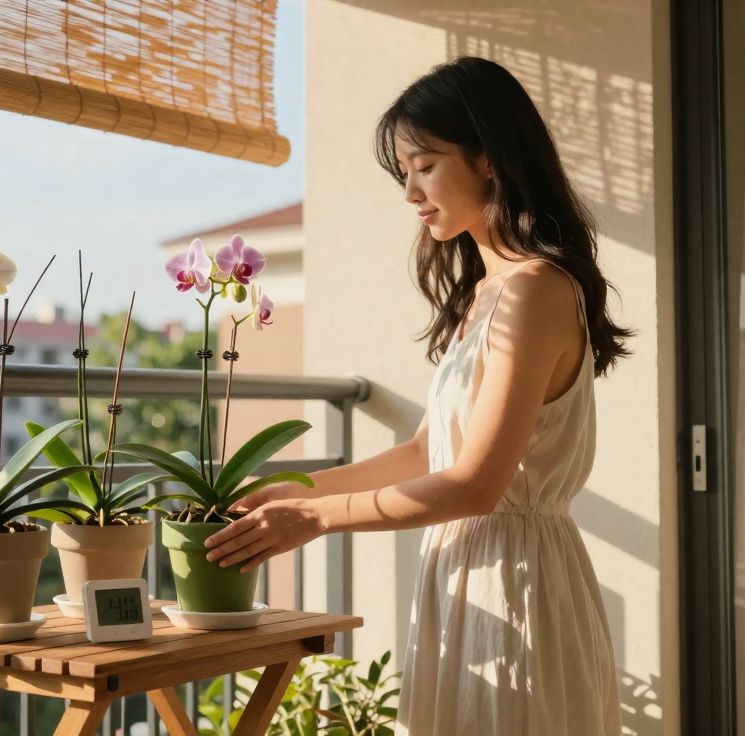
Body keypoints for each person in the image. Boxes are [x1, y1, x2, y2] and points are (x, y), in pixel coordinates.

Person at [202, 57, 632, 735]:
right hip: (468, 578)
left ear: (488, 159)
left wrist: (318, 520)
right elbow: (427, 452)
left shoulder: (536, 291)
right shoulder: (488, 294)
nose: (410, 192)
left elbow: (474, 486)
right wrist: (294, 490)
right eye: (404, 172)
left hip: (517, 583)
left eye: (424, 165)